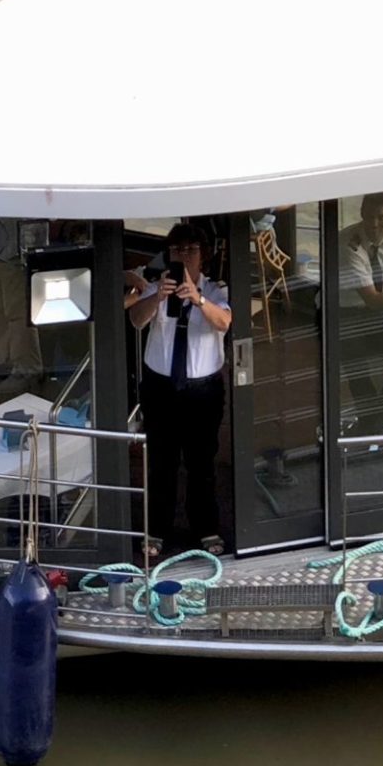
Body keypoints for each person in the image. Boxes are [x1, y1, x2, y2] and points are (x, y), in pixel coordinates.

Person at [130, 222, 233, 555]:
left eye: (190, 250)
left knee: (202, 462)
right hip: (160, 387)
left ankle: (206, 529)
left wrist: (198, 299)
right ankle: (157, 531)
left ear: (202, 255)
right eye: (176, 250)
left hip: (202, 389)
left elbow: (224, 323)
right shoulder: (157, 287)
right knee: (161, 461)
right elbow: (136, 321)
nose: (183, 256)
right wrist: (158, 296)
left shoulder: (216, 290)